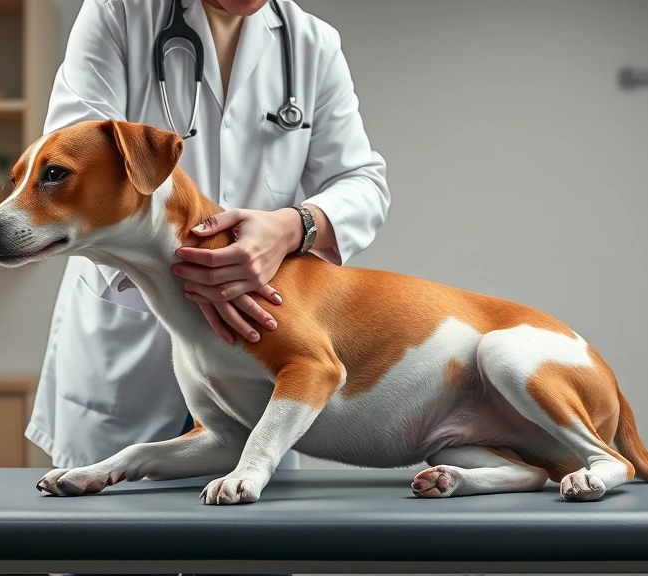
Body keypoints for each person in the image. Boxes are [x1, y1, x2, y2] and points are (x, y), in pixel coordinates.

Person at [27, 0, 390, 490]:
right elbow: (72, 159)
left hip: (256, 343)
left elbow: (361, 181)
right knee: (110, 550)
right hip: (131, 330)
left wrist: (291, 226)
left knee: (246, 543)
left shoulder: (310, 42)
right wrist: (196, 273)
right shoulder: (120, 13)